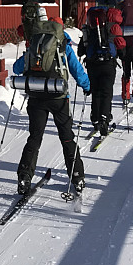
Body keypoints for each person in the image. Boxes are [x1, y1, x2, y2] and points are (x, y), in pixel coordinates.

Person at [14, 15, 91, 196]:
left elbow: (18, 68)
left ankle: (24, 178)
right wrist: (87, 85)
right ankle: (77, 177)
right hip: (58, 97)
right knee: (66, 138)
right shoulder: (63, 43)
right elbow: (76, 69)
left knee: (34, 137)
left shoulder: (36, 43)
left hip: (36, 95)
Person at [77, 4, 123, 137]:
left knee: (96, 91)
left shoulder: (88, 31)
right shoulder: (110, 29)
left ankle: (96, 120)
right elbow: (120, 47)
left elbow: (80, 52)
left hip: (92, 65)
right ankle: (104, 118)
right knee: (106, 93)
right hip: (108, 64)